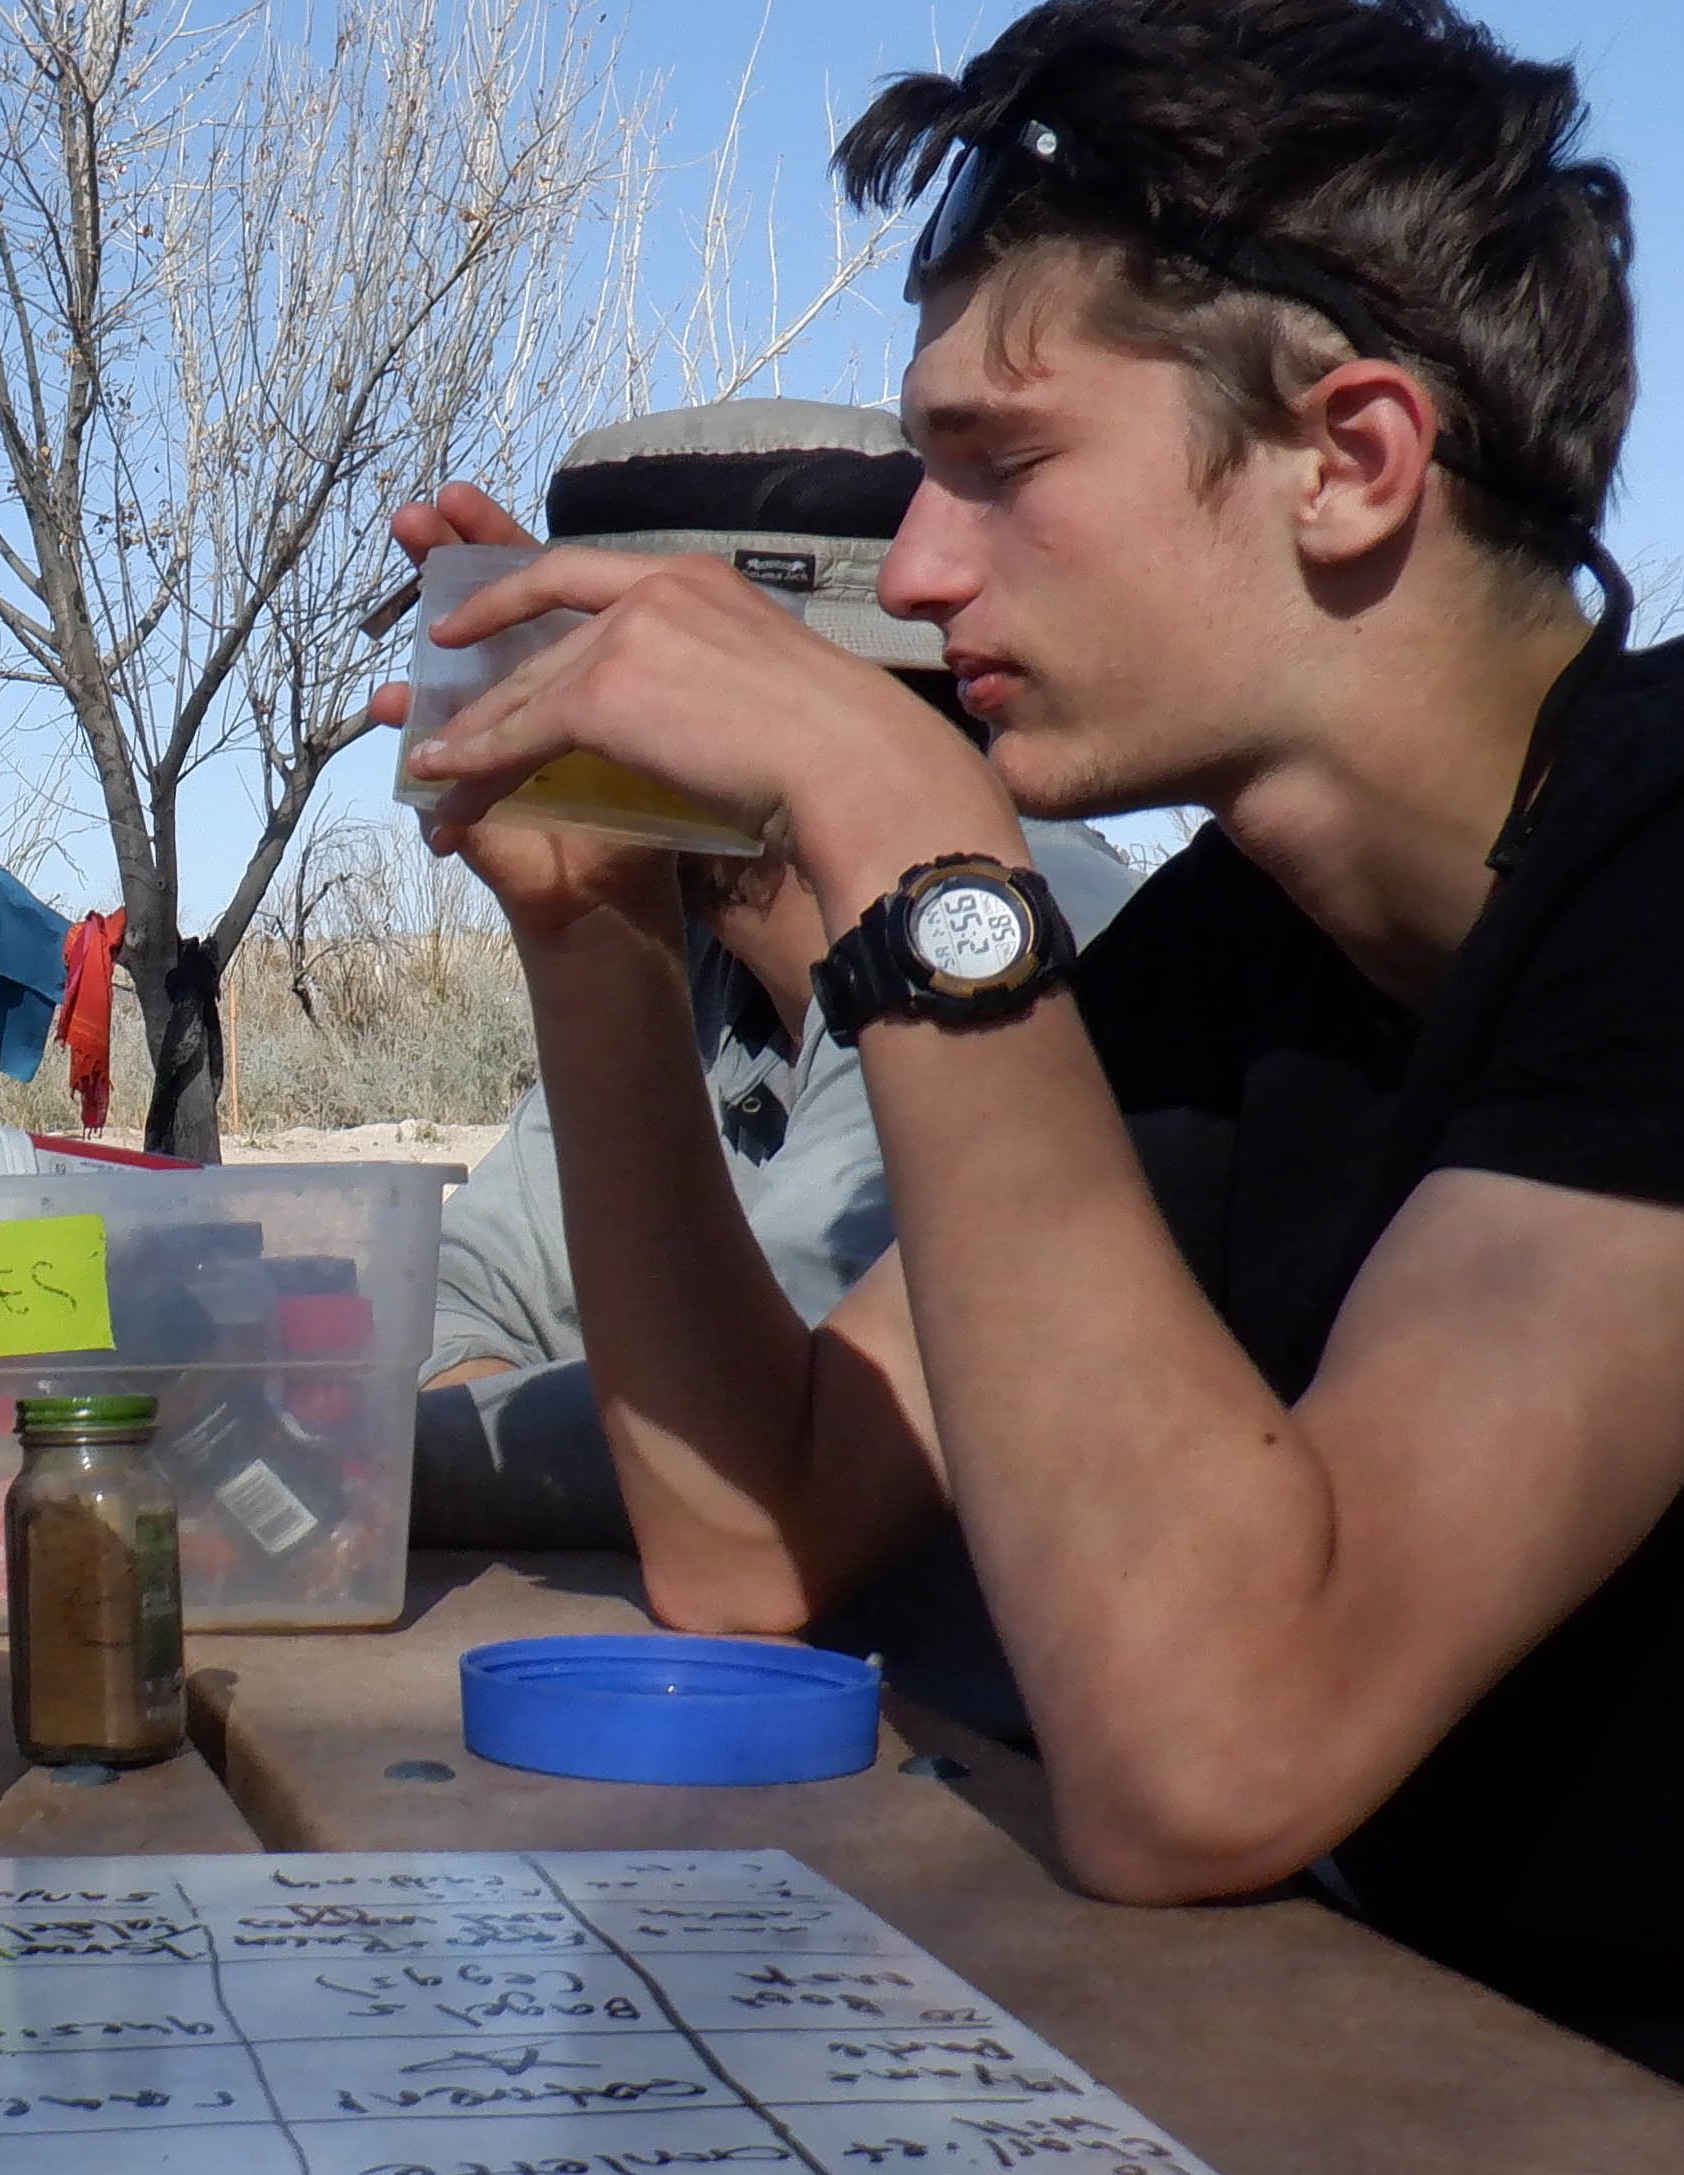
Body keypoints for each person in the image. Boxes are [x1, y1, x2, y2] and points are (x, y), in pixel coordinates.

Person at [390, 0, 1684, 2175]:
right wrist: (595, 959)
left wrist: (903, 840)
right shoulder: (1239, 963)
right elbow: (759, 1550)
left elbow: (1210, 1757)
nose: (925, 580)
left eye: (1001, 465)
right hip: (1503, 2155)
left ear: (1352, 455)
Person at [415, 400, 1144, 1558]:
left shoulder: (1008, 930)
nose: (542, 720)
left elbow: (794, 1445)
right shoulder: (701, 973)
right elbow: (460, 1294)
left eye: (594, 676)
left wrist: (389, 1458)